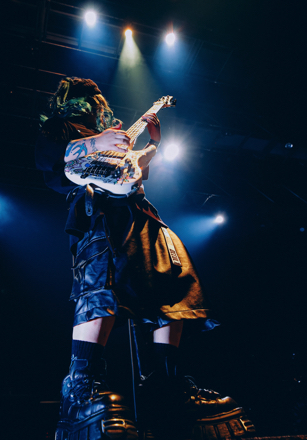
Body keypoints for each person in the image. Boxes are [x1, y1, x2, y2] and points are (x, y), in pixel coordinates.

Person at [35, 77, 253, 440]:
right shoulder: (61, 128)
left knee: (174, 284)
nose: (93, 104)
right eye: (86, 98)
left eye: (96, 98)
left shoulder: (114, 136)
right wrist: (98, 141)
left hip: (140, 211)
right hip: (98, 211)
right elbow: (49, 158)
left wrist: (153, 144)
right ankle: (81, 387)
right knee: (101, 287)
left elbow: (137, 166)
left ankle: (169, 386)